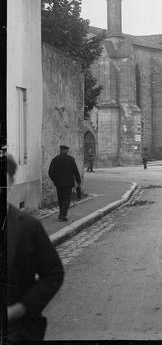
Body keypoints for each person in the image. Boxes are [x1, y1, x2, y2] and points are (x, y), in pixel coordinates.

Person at [6, 153, 65, 342]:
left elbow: (53, 273)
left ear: (11, 181)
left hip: (18, 332)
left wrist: (21, 308)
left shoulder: (28, 227)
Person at [48, 144, 82, 221]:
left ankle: (62, 213)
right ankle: (62, 215)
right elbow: (75, 171)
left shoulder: (55, 159)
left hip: (58, 184)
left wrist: (54, 180)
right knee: (66, 199)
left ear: (60, 150)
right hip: (68, 183)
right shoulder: (71, 159)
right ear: (66, 151)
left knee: (60, 199)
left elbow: (50, 172)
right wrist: (78, 181)